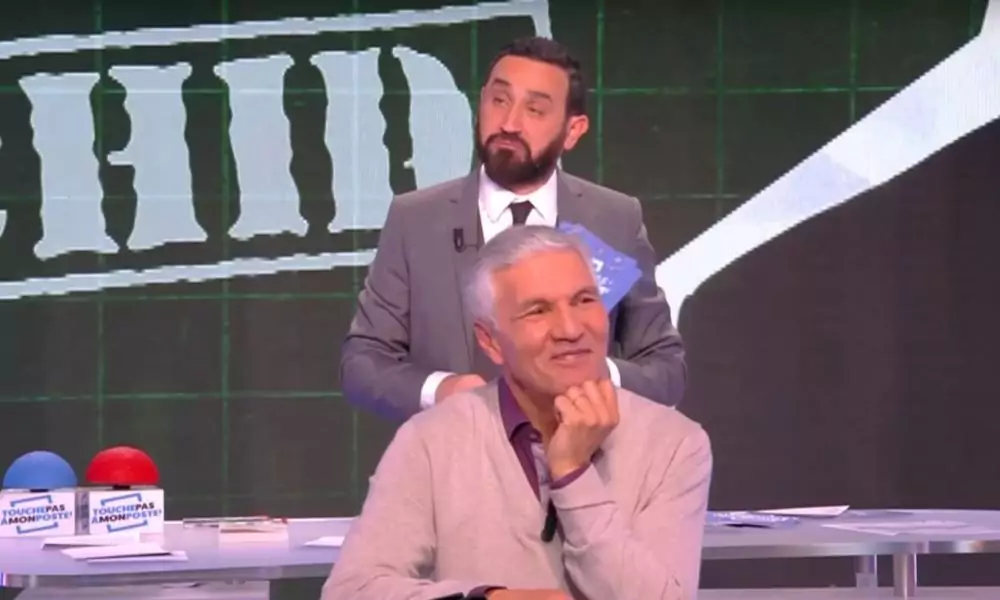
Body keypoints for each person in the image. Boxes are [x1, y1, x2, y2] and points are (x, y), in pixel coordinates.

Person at [322, 225, 712, 600]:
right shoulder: (431, 440)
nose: (570, 329)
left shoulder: (675, 444)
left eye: (584, 300)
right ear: (490, 341)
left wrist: (573, 475)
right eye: (538, 311)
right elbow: (352, 591)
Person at [340, 36, 687, 420]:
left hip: (580, 454)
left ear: (573, 131)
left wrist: (592, 374)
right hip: (453, 452)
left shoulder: (614, 220)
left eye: (534, 110)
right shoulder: (416, 220)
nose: (508, 123)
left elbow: (665, 369)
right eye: (499, 100)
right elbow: (363, 364)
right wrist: (442, 391)